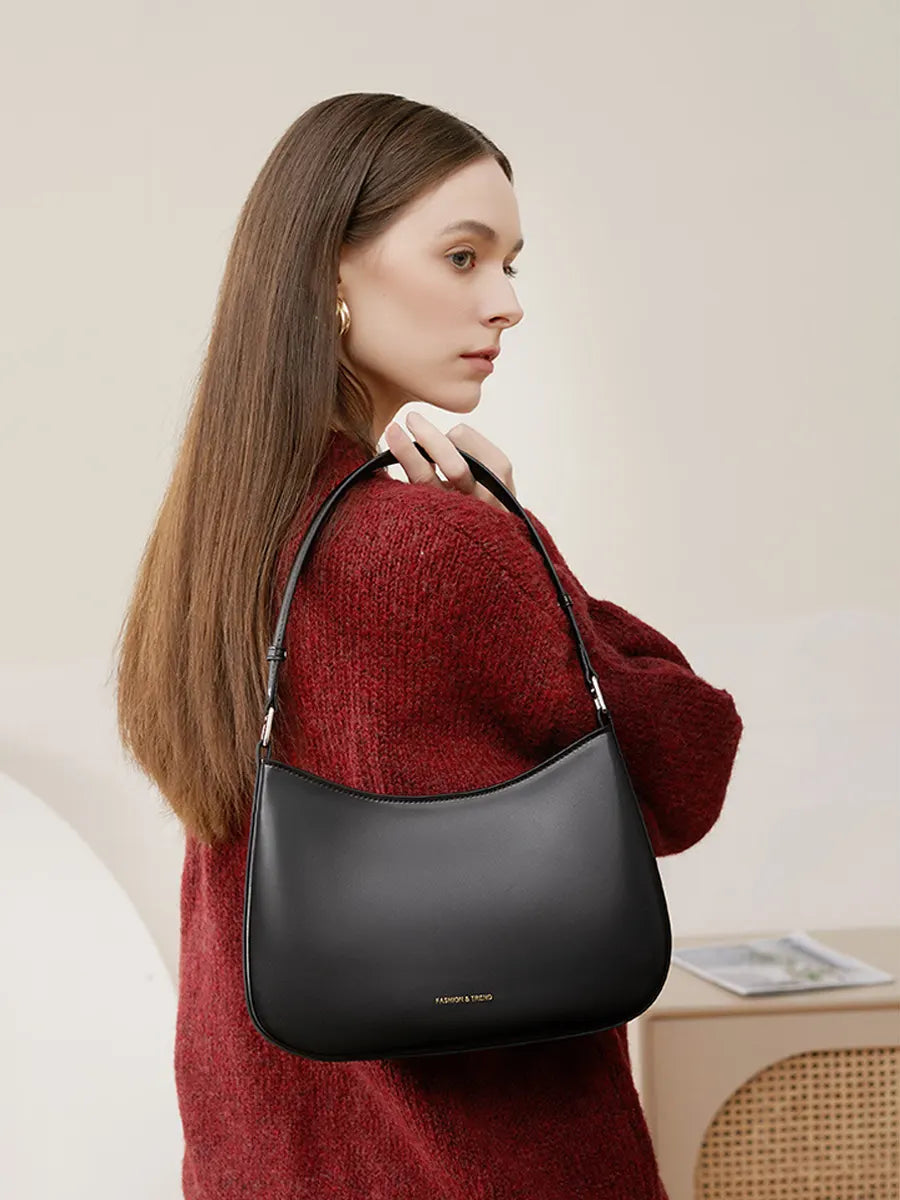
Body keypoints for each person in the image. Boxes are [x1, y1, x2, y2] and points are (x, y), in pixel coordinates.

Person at [114, 92, 744, 1199]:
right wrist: (517, 534)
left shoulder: (220, 548)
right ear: (330, 275)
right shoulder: (437, 552)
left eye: (510, 263)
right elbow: (687, 762)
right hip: (483, 1165)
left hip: (261, 1160)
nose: (506, 303)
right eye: (463, 257)